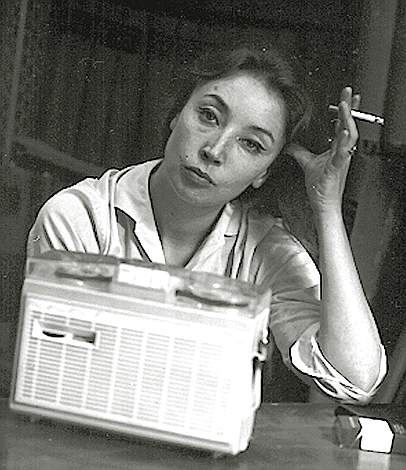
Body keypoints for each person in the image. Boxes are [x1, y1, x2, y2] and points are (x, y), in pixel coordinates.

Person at [27, 45, 386, 403]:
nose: (214, 150)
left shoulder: (265, 250)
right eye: (209, 116)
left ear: (263, 173)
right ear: (176, 115)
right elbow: (57, 377)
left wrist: (327, 208)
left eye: (251, 144)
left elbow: (355, 379)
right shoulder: (80, 218)